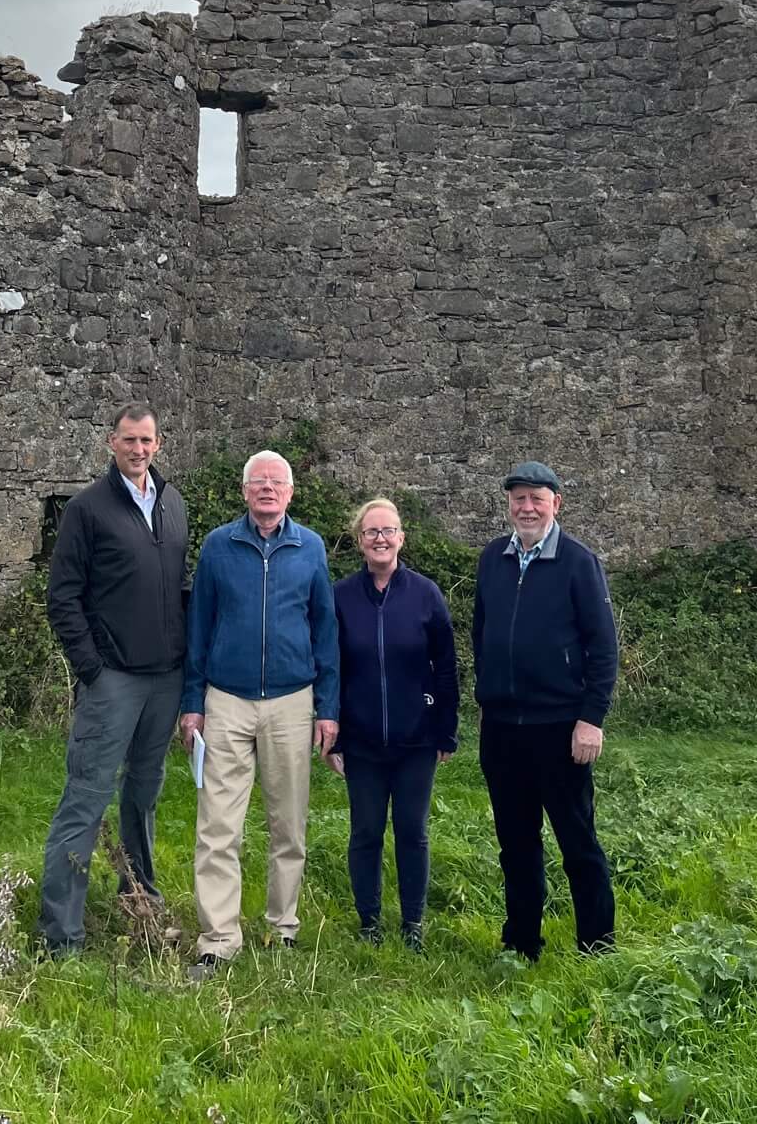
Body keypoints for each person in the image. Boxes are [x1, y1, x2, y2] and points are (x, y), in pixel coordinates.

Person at [179, 449, 340, 978]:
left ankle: (282, 927)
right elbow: (199, 624)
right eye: (258, 482)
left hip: (293, 701)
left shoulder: (310, 547)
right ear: (244, 491)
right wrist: (192, 703)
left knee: (287, 823)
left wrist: (327, 708)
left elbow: (326, 630)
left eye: (277, 482)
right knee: (218, 825)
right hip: (225, 699)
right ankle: (219, 937)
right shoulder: (219, 547)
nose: (267, 489)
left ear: (291, 494)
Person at [36, 403, 188, 955]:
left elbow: (174, 588)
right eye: (129, 440)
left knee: (143, 795)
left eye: (147, 440)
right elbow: (63, 597)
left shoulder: (173, 505)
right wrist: (92, 670)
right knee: (87, 798)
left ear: (159, 443)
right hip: (113, 681)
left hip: (165, 680)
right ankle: (62, 935)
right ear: (111, 442)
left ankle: (139, 902)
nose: (138, 449)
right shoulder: (87, 509)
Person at [471, 459, 619, 959]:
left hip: (560, 727)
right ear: (509, 506)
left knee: (577, 842)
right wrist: (485, 699)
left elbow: (603, 647)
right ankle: (522, 943)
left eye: (537, 497)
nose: (527, 507)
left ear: (557, 503)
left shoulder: (579, 562)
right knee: (516, 844)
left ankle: (596, 945)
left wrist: (591, 718)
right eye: (518, 498)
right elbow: (482, 634)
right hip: (503, 730)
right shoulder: (493, 559)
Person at [327, 497, 459, 950]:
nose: (380, 539)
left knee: (412, 830)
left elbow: (446, 666)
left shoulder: (426, 594)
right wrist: (332, 733)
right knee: (365, 831)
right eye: (371, 532)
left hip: (416, 739)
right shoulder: (341, 596)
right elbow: (331, 666)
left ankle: (413, 924)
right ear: (359, 541)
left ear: (402, 537)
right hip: (361, 741)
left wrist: (445, 728)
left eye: (388, 531)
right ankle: (369, 922)